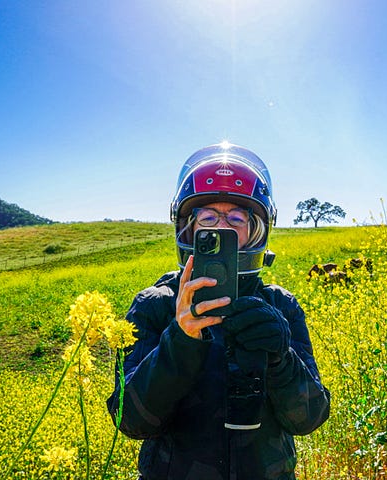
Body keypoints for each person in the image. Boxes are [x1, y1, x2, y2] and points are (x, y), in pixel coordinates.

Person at [107, 142, 331, 480]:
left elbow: (309, 419)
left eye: (237, 218)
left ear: (257, 232)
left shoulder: (282, 306)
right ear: (187, 229)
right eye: (208, 217)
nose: (221, 228)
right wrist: (180, 340)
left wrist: (281, 356)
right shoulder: (154, 305)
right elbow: (132, 422)